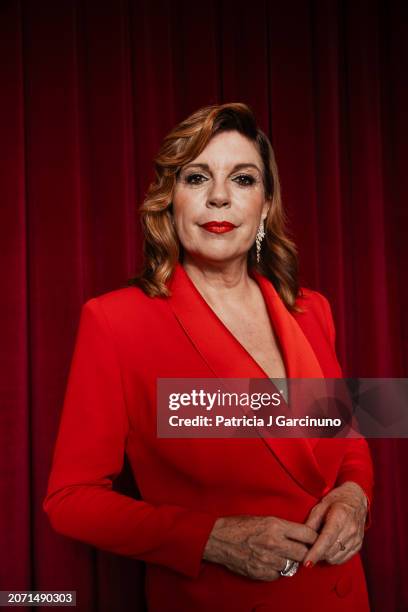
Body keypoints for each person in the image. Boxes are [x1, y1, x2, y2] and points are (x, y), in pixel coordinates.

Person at [43, 102, 374, 611]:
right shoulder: (115, 322)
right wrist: (212, 538)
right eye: (197, 178)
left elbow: (343, 437)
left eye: (243, 180)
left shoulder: (311, 310)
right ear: (169, 200)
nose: (219, 197)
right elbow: (70, 501)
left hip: (341, 595)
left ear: (265, 205)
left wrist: (355, 496)